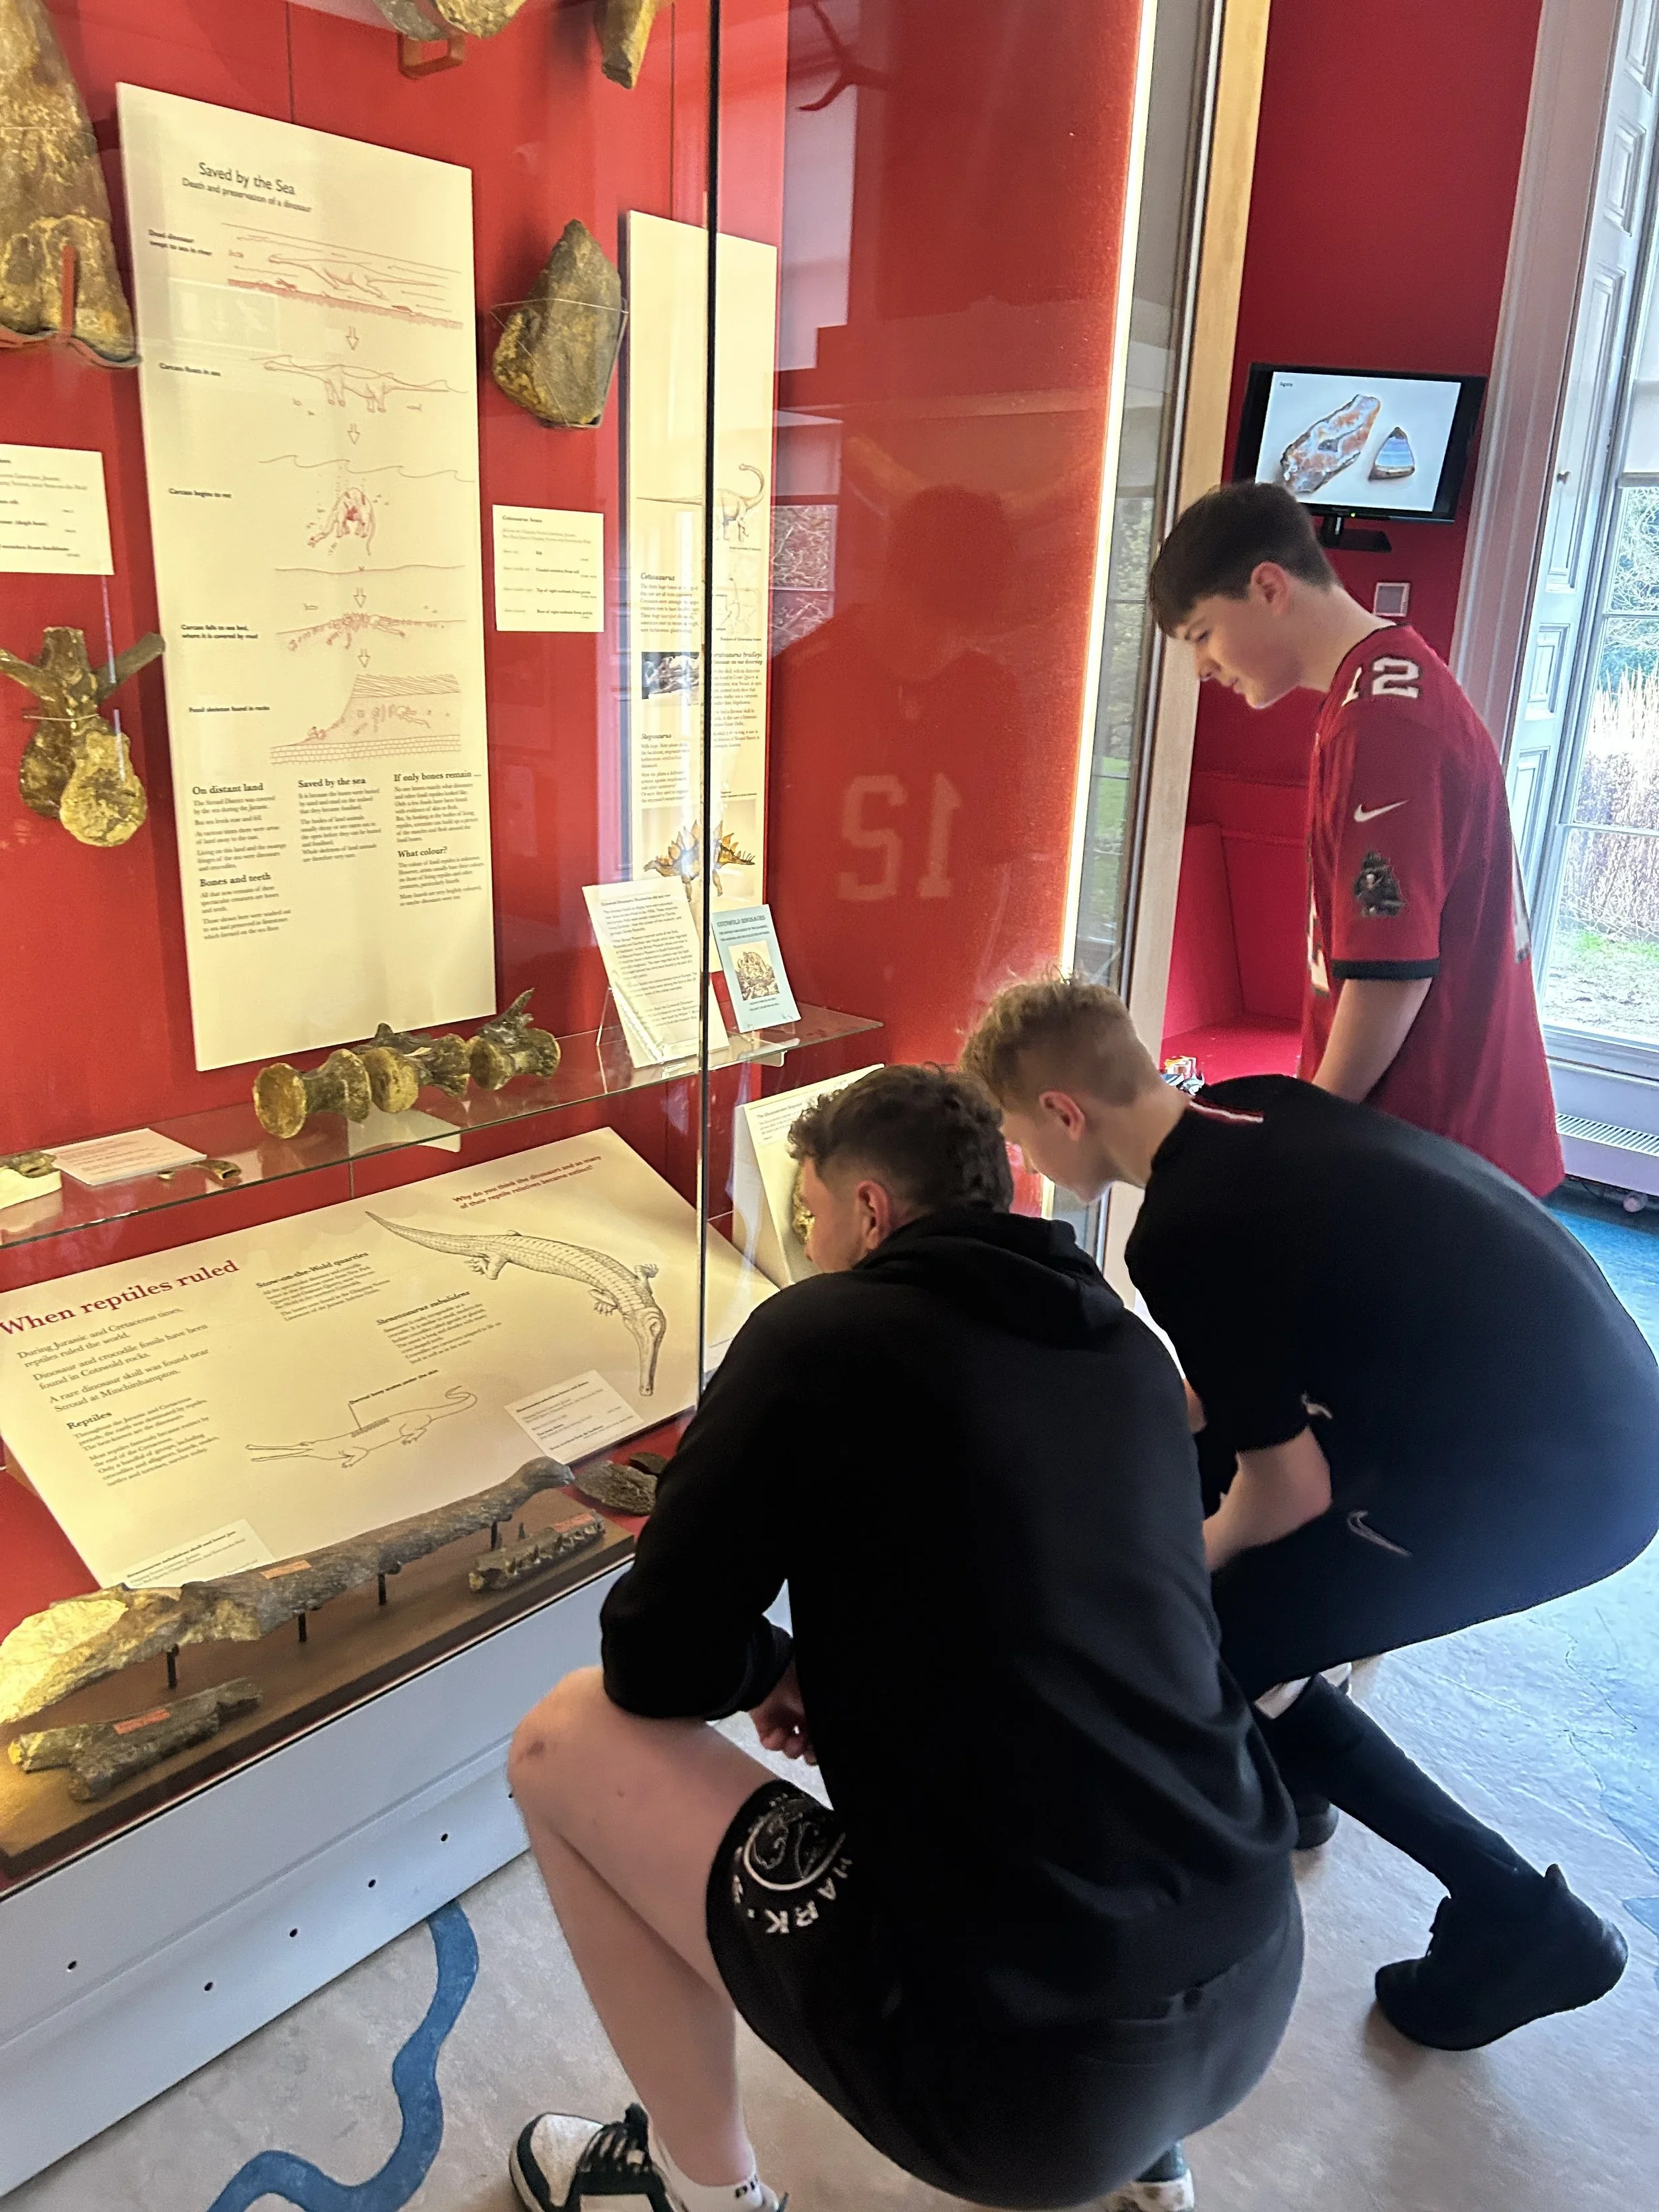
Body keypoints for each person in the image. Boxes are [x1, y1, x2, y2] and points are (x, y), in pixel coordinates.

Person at [504, 1065, 1299, 2212]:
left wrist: (772, 1664)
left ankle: (691, 2190)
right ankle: (1150, 2168)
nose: (813, 1242)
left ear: (870, 1210)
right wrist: (832, 1666)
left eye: (816, 1215)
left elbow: (655, 1651)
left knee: (564, 1737)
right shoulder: (1129, 1353)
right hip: (1254, 1969)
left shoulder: (820, 1333)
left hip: (1032, 2086)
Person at [964, 976, 1659, 2049]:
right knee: (1230, 1583)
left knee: (1194, 1651)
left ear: (1063, 1110)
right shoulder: (1252, 1107)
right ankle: (1294, 1760)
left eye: (1018, 1131)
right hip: (1582, 1405)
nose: (1026, 1159)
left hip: (1549, 1484)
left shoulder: (1178, 1233)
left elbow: (1288, 1490)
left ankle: (1525, 1919)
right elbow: (1230, 1391)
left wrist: (1171, 1577)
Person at [1147, 479, 1563, 1197]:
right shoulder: (1378, 686)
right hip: (1439, 1142)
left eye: (1202, 635)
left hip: (1436, 1148)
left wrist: (1304, 1133)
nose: (1202, 669)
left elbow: (1387, 979)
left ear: (1269, 587)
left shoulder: (1382, 724)